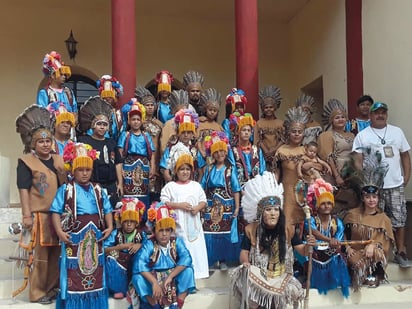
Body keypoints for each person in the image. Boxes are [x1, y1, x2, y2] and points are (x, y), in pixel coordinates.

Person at [231, 172, 315, 309]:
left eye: (276, 209)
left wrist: (309, 246)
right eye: (268, 210)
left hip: (282, 276)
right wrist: (246, 263)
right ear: (260, 213)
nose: (273, 213)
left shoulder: (288, 229)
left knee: (285, 295)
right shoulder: (251, 230)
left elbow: (302, 250)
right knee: (248, 286)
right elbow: (244, 252)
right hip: (260, 275)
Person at [50, 142, 113, 309]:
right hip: (74, 239)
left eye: (88, 170)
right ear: (73, 170)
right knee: (73, 278)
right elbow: (55, 211)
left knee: (95, 276)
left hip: (95, 239)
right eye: (80, 170)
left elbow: (107, 209)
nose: (84, 173)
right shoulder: (66, 190)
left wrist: (110, 226)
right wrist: (59, 232)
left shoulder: (98, 189)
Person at [15, 105, 68, 304]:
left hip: (57, 215)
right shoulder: (26, 161)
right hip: (39, 215)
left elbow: (65, 185)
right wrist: (26, 215)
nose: (45, 145)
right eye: (41, 142)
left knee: (56, 255)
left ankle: (52, 287)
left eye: (48, 141)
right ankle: (37, 292)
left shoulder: (59, 159)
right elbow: (23, 188)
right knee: (40, 256)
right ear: (33, 144)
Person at [352, 101, 411, 267]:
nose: (380, 115)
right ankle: (381, 254)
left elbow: (405, 155)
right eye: (376, 112)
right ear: (370, 115)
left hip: (395, 185)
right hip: (373, 188)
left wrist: (406, 176)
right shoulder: (363, 135)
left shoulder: (397, 132)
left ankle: (400, 252)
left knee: (399, 220)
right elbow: (357, 160)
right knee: (375, 221)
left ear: (386, 114)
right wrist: (364, 181)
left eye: (383, 112)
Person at [344, 151, 395, 289]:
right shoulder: (352, 215)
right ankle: (358, 275)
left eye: (374, 197)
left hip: (372, 253)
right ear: (362, 198)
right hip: (355, 252)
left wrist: (374, 245)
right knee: (355, 261)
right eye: (368, 197)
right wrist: (348, 247)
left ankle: (374, 275)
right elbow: (343, 235)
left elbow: (385, 244)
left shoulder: (383, 219)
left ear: (378, 199)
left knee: (377, 253)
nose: (371, 200)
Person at [132, 202, 196, 309]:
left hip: (172, 277)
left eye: (167, 230)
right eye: (161, 230)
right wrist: (154, 283)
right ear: (153, 231)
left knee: (188, 271)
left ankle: (177, 305)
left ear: (171, 230)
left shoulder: (177, 242)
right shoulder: (149, 244)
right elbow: (139, 265)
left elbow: (187, 258)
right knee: (137, 278)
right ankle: (155, 305)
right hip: (154, 277)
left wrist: (170, 277)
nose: (164, 234)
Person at [160, 153, 209, 279]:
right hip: (178, 226)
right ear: (176, 171)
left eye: (188, 169)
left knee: (195, 249)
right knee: (182, 249)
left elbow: (203, 201)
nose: (185, 172)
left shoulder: (196, 186)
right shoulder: (170, 187)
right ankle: (182, 278)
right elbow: (163, 202)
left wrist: (197, 208)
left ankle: (197, 275)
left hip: (194, 226)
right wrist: (179, 205)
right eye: (182, 169)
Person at [302, 179, 351, 297]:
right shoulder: (311, 220)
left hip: (330, 250)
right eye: (323, 203)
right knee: (305, 250)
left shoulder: (337, 222)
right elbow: (313, 233)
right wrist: (329, 240)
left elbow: (338, 239)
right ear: (317, 206)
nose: (326, 206)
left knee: (338, 254)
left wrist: (334, 243)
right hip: (315, 249)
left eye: (329, 203)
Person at [200, 131, 241, 269]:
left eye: (222, 151)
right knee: (211, 232)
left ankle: (223, 260)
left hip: (226, 204)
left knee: (224, 232)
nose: (219, 155)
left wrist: (236, 207)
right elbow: (202, 187)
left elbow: (236, 189)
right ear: (212, 153)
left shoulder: (230, 169)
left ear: (226, 151)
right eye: (216, 152)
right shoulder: (209, 169)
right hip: (211, 204)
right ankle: (213, 259)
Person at [78, 96, 123, 208]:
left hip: (111, 184)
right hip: (92, 184)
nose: (102, 127)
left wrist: (120, 183)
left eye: (105, 125)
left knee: (112, 213)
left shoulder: (111, 142)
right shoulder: (84, 141)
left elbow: (118, 163)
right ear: (93, 125)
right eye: (99, 124)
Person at [275, 107, 308, 239]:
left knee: (306, 220)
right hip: (287, 192)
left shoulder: (307, 150)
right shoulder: (282, 150)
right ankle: (288, 251)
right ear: (288, 133)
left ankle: (305, 255)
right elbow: (276, 173)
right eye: (293, 131)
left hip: (304, 191)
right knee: (287, 221)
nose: (296, 134)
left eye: (299, 132)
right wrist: (273, 190)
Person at [104, 197, 146, 299]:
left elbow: (149, 246)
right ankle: (119, 289)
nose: (128, 224)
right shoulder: (116, 233)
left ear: (137, 222)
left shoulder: (141, 234)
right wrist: (120, 247)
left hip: (134, 261)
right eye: (126, 221)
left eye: (132, 221)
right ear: (121, 221)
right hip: (120, 260)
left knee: (142, 256)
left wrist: (139, 245)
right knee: (110, 258)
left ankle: (136, 287)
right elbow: (104, 249)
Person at [118, 101, 156, 207]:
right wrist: (121, 168)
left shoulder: (146, 135)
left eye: (138, 119)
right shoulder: (125, 135)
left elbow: (152, 153)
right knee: (128, 192)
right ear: (129, 121)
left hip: (143, 167)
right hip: (129, 166)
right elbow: (120, 153)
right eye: (133, 119)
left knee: (143, 192)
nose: (136, 122)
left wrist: (152, 167)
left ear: (141, 121)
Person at [160, 108, 205, 183]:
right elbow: (165, 171)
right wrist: (173, 184)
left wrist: (197, 186)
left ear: (192, 134)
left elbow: (201, 172)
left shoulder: (195, 151)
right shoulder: (171, 149)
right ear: (178, 132)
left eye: (189, 132)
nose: (186, 135)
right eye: (183, 132)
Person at [135, 85, 164, 199]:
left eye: (152, 105)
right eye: (147, 105)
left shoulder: (160, 124)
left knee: (155, 193)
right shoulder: (138, 123)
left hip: (157, 158)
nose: (150, 107)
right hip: (143, 158)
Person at [254, 85, 284, 172]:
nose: (268, 109)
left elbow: (284, 139)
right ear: (263, 109)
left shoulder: (281, 123)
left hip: (278, 155)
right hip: (263, 155)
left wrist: (274, 150)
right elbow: (257, 140)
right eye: (266, 107)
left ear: (275, 108)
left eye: (271, 107)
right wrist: (266, 151)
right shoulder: (259, 123)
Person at [231, 113, 266, 186]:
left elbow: (263, 170)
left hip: (257, 187)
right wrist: (239, 190)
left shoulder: (257, 150)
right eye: (244, 130)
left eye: (249, 130)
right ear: (238, 132)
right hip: (240, 187)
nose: (246, 132)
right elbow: (232, 172)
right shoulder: (233, 151)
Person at [197, 88, 224, 159]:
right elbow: (196, 141)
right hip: (200, 156)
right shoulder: (199, 124)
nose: (212, 112)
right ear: (205, 110)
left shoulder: (219, 127)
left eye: (214, 110)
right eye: (210, 110)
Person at [95, 74, 124, 140]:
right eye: (104, 96)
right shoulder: (96, 113)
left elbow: (122, 133)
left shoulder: (118, 114)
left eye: (110, 97)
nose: (107, 99)